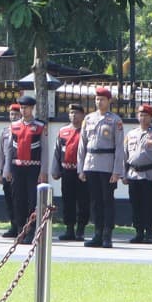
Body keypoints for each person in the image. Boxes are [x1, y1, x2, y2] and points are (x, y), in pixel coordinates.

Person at [79, 86, 125, 248]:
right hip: (91, 163)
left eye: (102, 99)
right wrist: (81, 168)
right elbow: (82, 144)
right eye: (97, 99)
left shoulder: (115, 120)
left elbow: (119, 147)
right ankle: (97, 233)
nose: (99, 102)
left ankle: (107, 235)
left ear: (109, 101)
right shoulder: (89, 119)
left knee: (107, 201)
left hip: (107, 165)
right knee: (95, 201)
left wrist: (117, 171)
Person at [124, 103, 152, 243]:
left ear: (151, 117)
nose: (142, 118)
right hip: (133, 175)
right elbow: (124, 155)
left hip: (149, 175)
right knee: (135, 205)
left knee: (149, 206)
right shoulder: (131, 134)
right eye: (140, 115)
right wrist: (123, 174)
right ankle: (138, 232)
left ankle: (149, 233)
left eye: (146, 115)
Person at [1, 101, 43, 239]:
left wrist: (44, 171)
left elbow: (44, 150)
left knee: (32, 200)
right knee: (18, 200)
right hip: (17, 167)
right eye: (22, 108)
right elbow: (9, 149)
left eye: (26, 108)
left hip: (33, 167)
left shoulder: (40, 126)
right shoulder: (14, 126)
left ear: (32, 108)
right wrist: (6, 170)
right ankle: (20, 230)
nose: (23, 110)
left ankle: (31, 231)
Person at [57, 102, 88, 242]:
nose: (73, 116)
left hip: (81, 172)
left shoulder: (86, 131)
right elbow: (57, 152)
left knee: (83, 201)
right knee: (67, 200)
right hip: (67, 170)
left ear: (82, 115)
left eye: (76, 113)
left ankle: (80, 229)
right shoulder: (63, 131)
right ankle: (69, 228)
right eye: (71, 113)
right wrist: (55, 169)